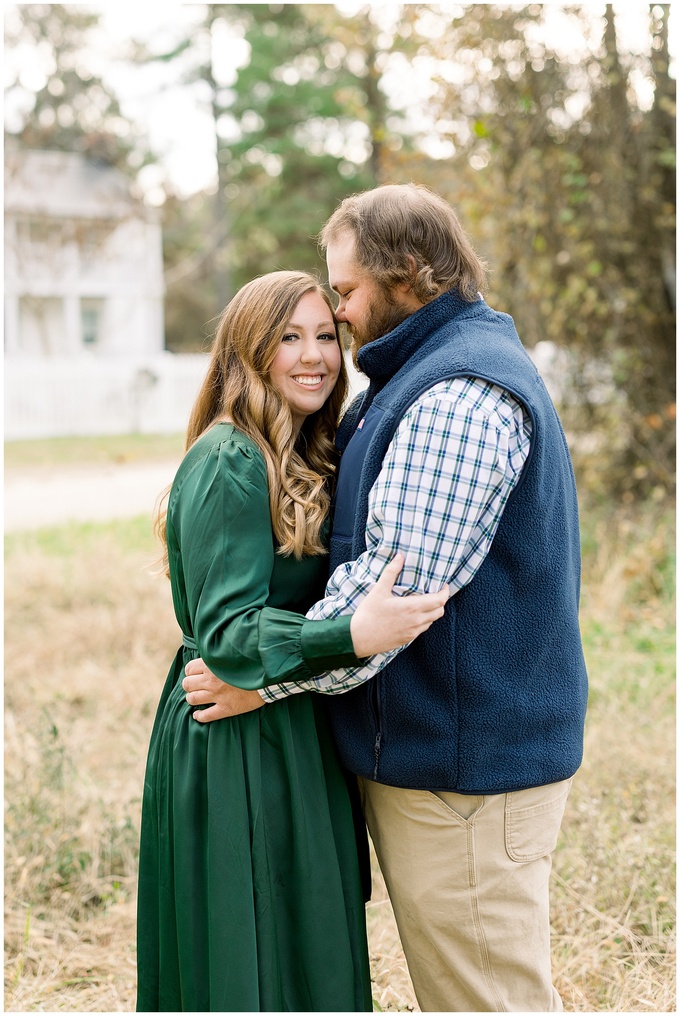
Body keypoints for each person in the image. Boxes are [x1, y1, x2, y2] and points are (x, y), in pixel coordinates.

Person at [184, 184, 589, 1012]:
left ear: (408, 273)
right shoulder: (419, 375)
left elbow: (386, 606)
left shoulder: (456, 397)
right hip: (440, 767)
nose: (340, 313)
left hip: (466, 776)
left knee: (486, 999)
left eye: (346, 291)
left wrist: (261, 678)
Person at [136, 269, 449, 1013]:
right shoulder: (229, 460)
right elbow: (230, 630)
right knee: (247, 959)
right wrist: (353, 633)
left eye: (325, 336)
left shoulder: (308, 453)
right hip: (233, 739)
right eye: (288, 338)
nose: (314, 356)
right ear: (249, 351)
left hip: (290, 722)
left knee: (306, 949)